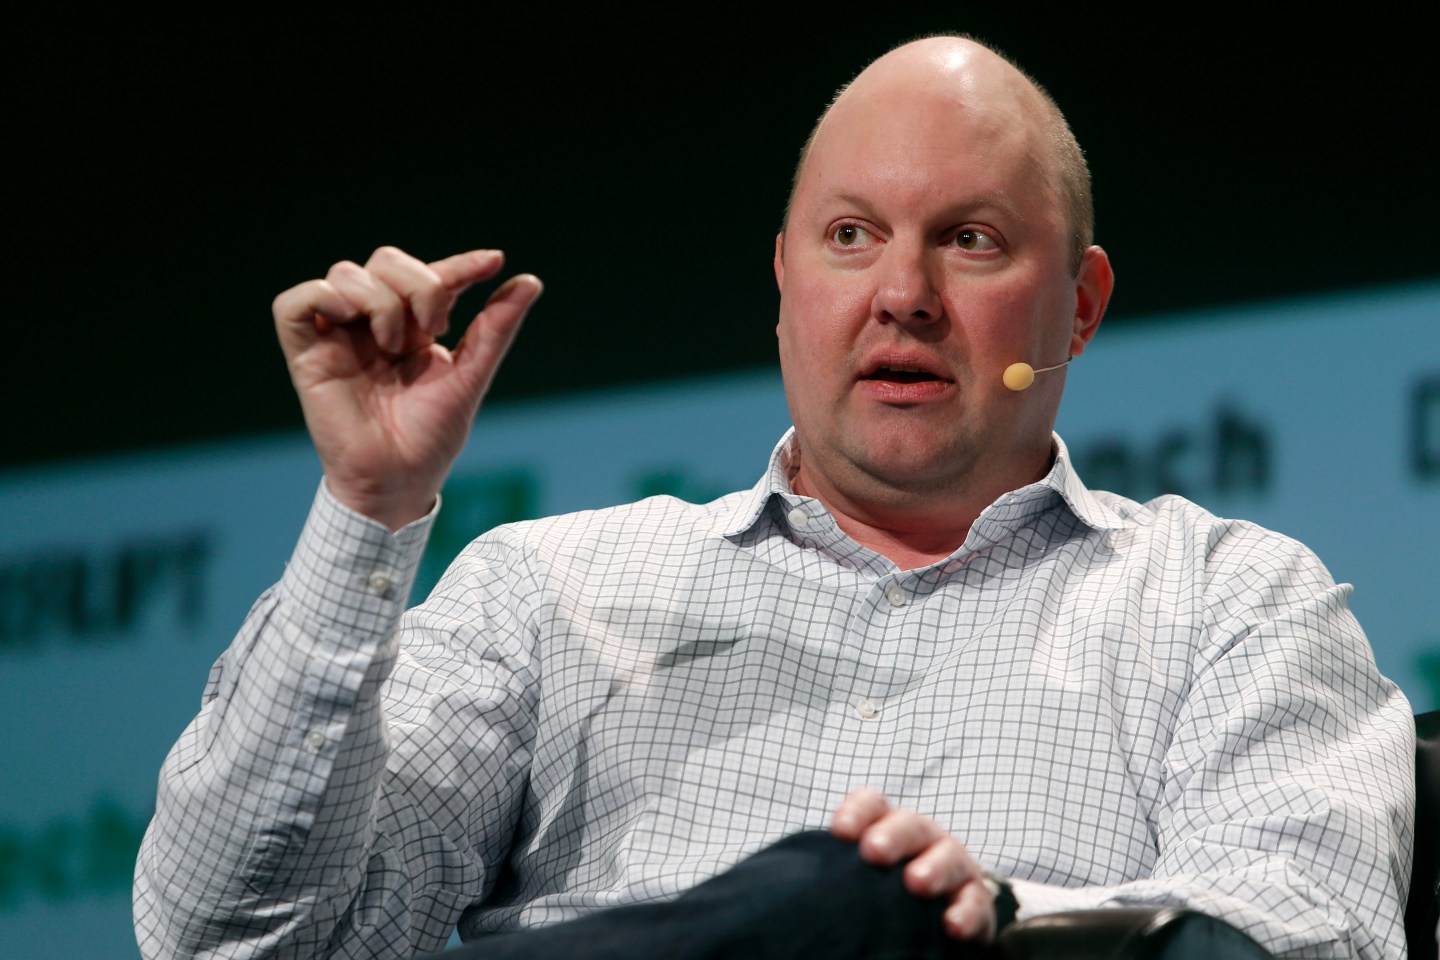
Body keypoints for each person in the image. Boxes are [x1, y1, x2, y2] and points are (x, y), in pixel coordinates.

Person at [133, 35, 1415, 959]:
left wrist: (998, 928)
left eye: (969, 240)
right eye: (851, 237)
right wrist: (367, 507)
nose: (901, 295)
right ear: (787, 284)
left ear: (1077, 307)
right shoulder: (548, 594)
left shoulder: (1231, 603)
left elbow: (1307, 932)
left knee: (857, 906)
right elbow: (231, 941)